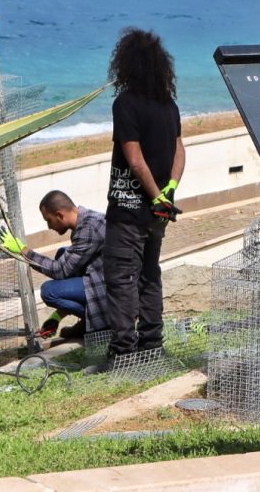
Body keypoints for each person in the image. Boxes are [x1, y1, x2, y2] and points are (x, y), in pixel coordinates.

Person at [102, 27, 185, 364]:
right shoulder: (169, 106)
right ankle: (151, 344)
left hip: (129, 210)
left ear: (125, 65)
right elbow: (180, 151)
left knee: (122, 277)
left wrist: (153, 195)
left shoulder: (125, 104)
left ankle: (122, 352)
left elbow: (134, 159)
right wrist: (169, 191)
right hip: (157, 212)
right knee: (150, 273)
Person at [0, 191, 109, 340]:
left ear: (60, 215)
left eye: (49, 220)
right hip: (104, 278)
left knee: (49, 291)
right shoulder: (86, 220)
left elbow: (59, 271)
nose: (49, 226)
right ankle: (89, 321)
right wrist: (56, 316)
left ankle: (100, 322)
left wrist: (24, 251)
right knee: (63, 254)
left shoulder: (88, 230)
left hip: (112, 290)